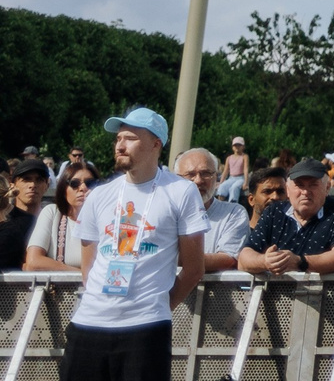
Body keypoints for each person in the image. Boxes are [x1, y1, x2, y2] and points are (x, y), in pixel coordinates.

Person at [59, 109, 207, 381]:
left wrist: (158, 305)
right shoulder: (99, 195)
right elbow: (88, 266)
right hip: (88, 323)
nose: (120, 144)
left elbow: (194, 268)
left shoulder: (181, 191)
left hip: (145, 327)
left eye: (130, 138)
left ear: (155, 144)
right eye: (118, 138)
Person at [241, 158, 334, 274]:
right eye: (299, 185)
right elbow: (244, 258)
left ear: (327, 188)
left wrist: (300, 262)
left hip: (328, 295)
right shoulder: (274, 211)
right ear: (288, 190)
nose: (305, 192)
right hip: (277, 295)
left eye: (313, 185)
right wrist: (265, 261)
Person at [170, 150, 249, 273]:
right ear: (176, 179)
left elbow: (228, 259)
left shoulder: (233, 213)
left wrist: (166, 259)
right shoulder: (163, 212)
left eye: (206, 173)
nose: (198, 180)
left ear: (216, 176)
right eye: (190, 174)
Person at [25, 159, 97, 272]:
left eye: (90, 183)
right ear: (64, 190)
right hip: (61, 288)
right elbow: (33, 262)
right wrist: (81, 275)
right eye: (74, 183)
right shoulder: (52, 213)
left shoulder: (106, 219)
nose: (83, 188)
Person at [0, 158, 48, 272]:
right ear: (13, 184)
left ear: (47, 184)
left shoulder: (51, 220)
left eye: (39, 180)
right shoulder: (5, 222)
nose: (32, 185)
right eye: (26, 179)